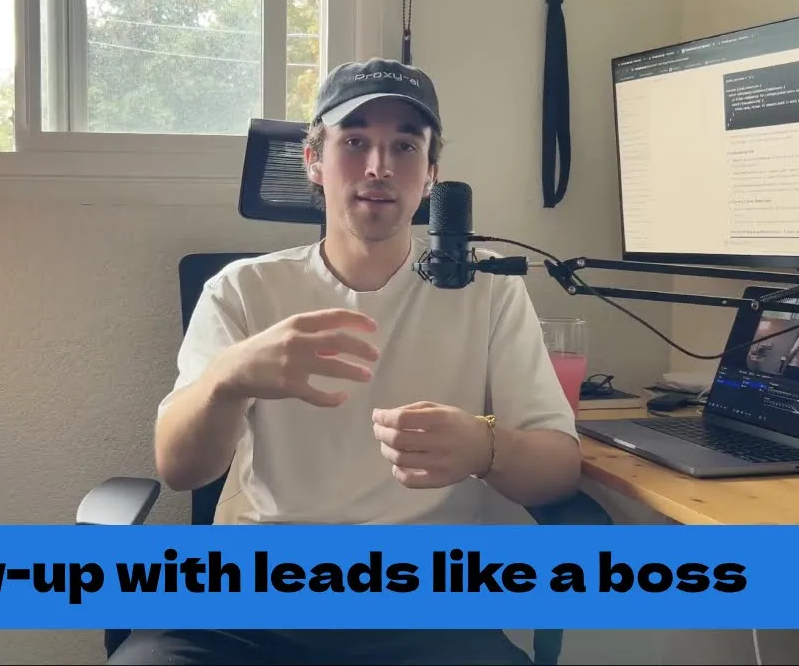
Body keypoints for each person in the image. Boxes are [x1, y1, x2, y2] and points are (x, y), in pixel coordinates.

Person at [109, 58, 581, 665]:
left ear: (432, 175)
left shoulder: (487, 288)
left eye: (405, 146)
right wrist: (229, 379)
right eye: (355, 142)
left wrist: (485, 448)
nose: (379, 166)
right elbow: (180, 470)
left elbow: (558, 467)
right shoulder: (242, 290)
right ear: (314, 160)